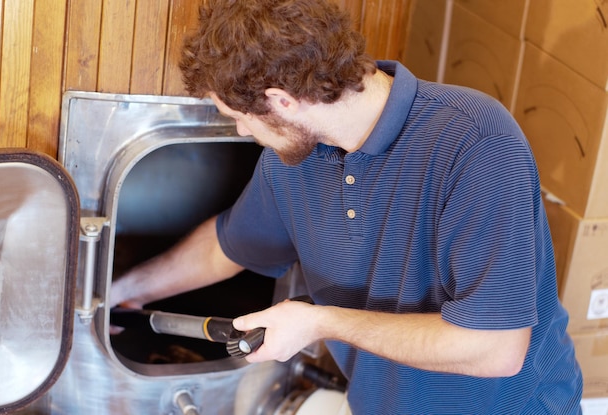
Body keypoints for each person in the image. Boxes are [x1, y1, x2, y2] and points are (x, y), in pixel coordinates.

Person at [109, 0, 583, 413]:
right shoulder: (291, 162)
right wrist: (127, 290)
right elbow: (226, 247)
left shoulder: (475, 141)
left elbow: (495, 349)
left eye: (239, 119)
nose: (240, 133)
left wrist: (319, 321)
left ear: (282, 101)